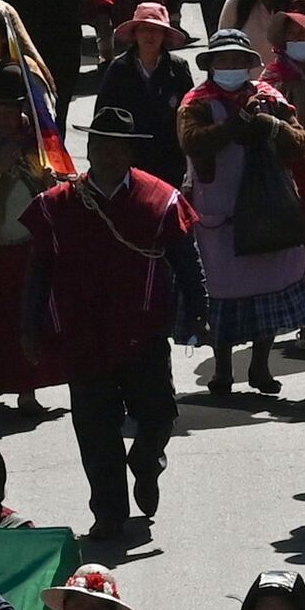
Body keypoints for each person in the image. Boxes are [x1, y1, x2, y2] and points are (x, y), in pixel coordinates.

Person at [45, 106, 191, 540]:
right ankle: (108, 511)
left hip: (143, 334)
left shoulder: (159, 198)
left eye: (116, 147)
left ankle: (147, 462)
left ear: (130, 152)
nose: (107, 154)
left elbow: (185, 257)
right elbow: (39, 269)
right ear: (87, 149)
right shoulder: (59, 204)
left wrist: (198, 308)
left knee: (159, 415)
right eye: (99, 145)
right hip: (83, 338)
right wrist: (31, 327)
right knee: (95, 430)